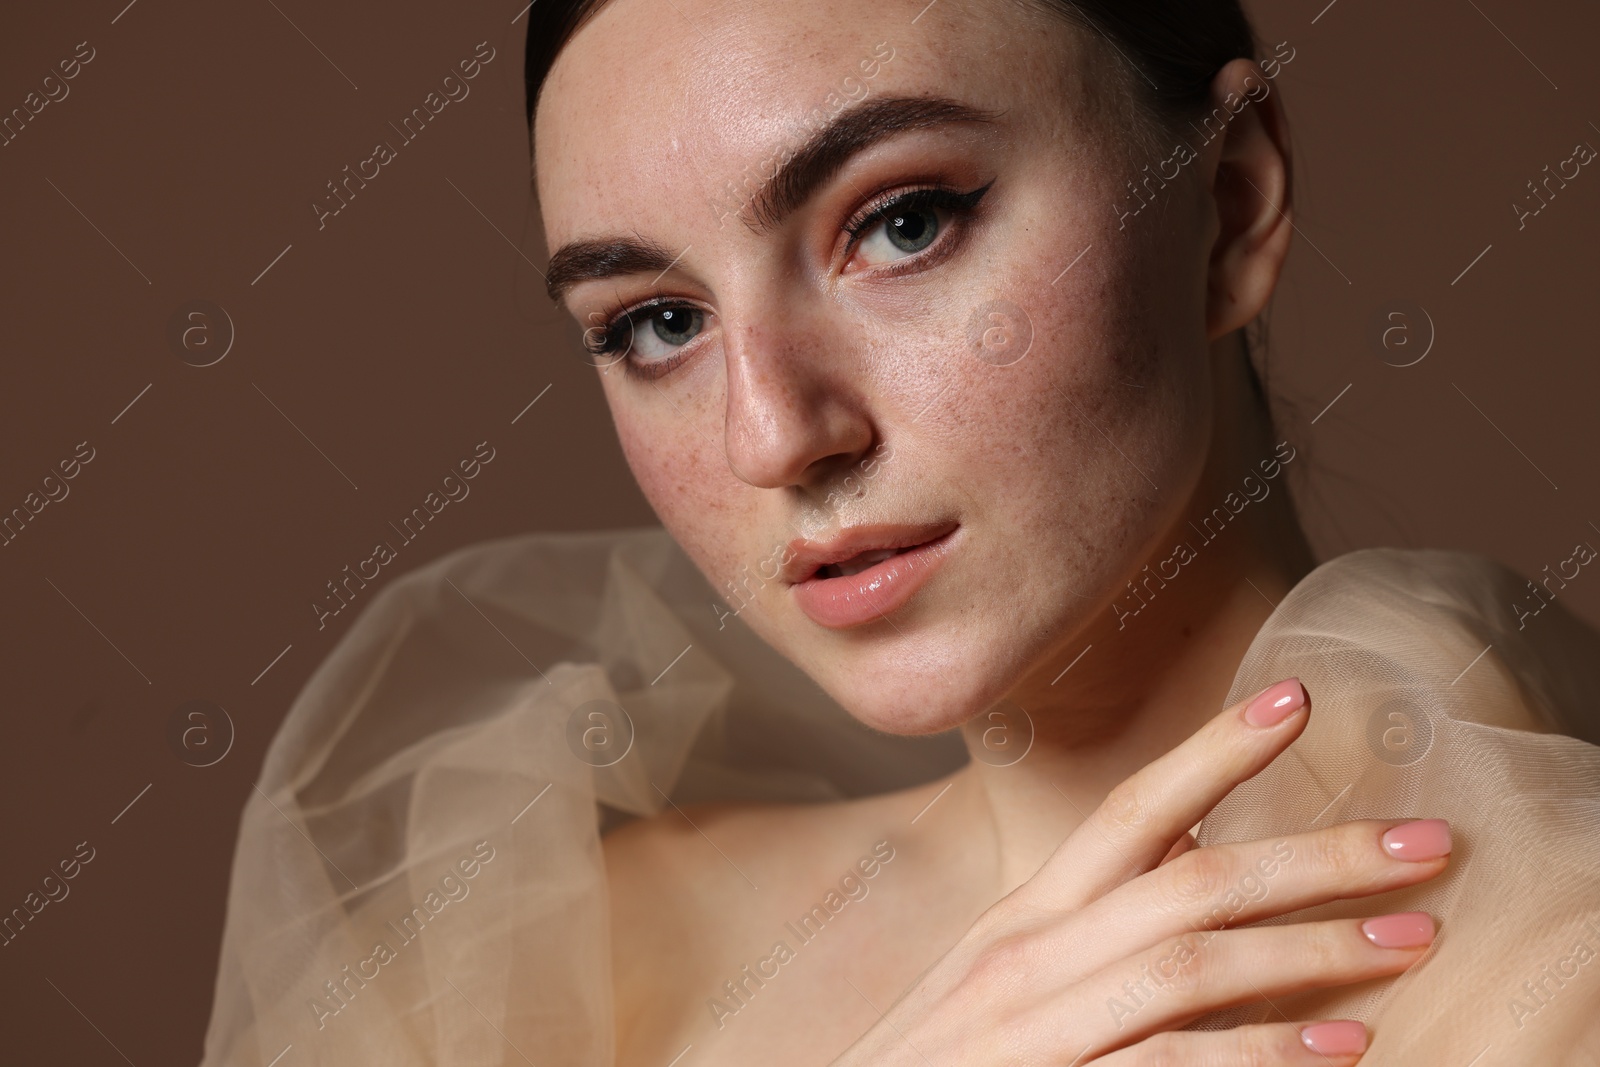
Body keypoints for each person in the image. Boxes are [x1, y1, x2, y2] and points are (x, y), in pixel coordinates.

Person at [199, 2, 1600, 1064]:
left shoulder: (1553, 959)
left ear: (1227, 203)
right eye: (658, 323)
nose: (775, 436)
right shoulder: (524, 965)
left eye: (905, 223)